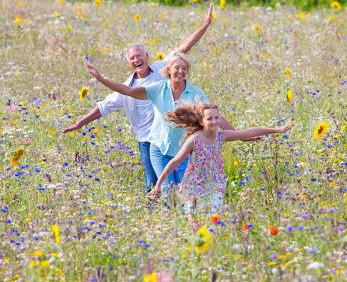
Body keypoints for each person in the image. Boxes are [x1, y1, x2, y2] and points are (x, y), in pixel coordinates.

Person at [63, 4, 215, 192]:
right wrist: (79, 123)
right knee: (153, 183)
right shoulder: (127, 88)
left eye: (139, 55)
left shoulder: (162, 71)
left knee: (177, 183)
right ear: (129, 63)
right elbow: (102, 108)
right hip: (147, 141)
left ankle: (176, 210)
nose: (136, 60)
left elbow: (183, 48)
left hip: (171, 135)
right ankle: (156, 213)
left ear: (147, 56)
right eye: (132, 58)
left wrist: (206, 24)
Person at [85, 52, 235, 189]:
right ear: (168, 69)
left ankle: (183, 218)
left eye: (184, 68)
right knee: (167, 190)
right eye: (177, 68)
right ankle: (168, 214)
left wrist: (240, 135)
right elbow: (128, 91)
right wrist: (101, 79)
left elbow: (214, 116)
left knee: (185, 191)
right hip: (159, 149)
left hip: (183, 151)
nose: (181, 72)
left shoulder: (195, 93)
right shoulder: (158, 89)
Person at [148, 100, 294, 212]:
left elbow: (249, 132)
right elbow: (175, 162)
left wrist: (278, 130)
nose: (214, 121)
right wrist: (159, 185)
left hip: (215, 185)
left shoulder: (222, 136)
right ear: (201, 121)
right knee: (194, 222)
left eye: (216, 117)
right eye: (209, 118)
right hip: (194, 187)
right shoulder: (194, 140)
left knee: (214, 221)